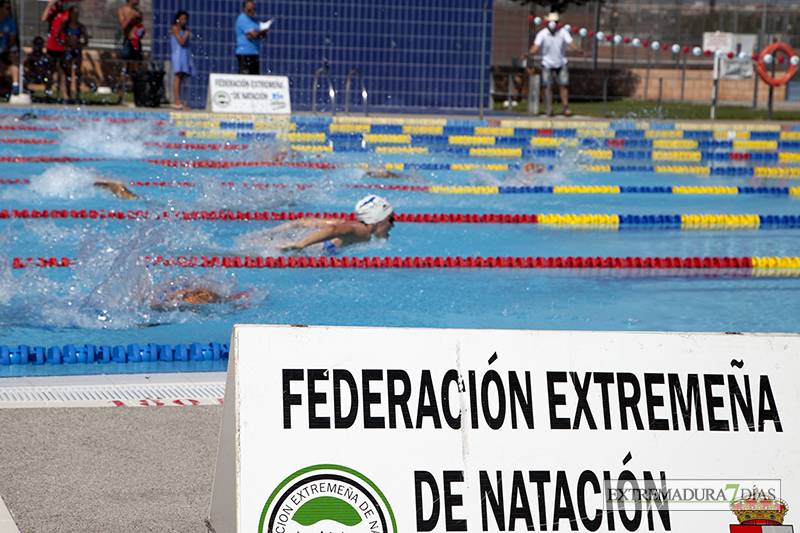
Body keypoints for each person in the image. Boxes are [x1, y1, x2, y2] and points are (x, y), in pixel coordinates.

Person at [278, 195, 395, 254]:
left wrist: (275, 232)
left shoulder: (350, 223)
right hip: (300, 253)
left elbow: (303, 222)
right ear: (379, 219)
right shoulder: (364, 233)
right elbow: (334, 230)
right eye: (391, 219)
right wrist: (300, 244)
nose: (392, 225)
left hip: (290, 242)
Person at [525, 12, 588, 117]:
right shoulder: (542, 34)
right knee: (547, 86)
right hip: (547, 63)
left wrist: (578, 50)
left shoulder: (562, 32)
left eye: (555, 22)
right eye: (551, 22)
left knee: (563, 85)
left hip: (561, 63)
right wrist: (529, 53)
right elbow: (536, 45)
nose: (553, 24)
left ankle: (566, 108)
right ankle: (549, 109)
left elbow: (570, 42)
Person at [57, 6, 87, 103]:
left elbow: (86, 41)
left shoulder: (81, 26)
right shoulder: (65, 25)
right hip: (69, 50)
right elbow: (58, 37)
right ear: (70, 14)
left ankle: (77, 95)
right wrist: (65, 44)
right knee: (67, 73)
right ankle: (67, 94)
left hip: (77, 50)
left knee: (77, 73)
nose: (76, 15)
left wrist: (77, 45)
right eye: (74, 13)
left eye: (77, 13)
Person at [117, 0, 144, 103]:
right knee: (124, 69)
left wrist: (138, 17)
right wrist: (132, 16)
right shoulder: (122, 10)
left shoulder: (138, 11)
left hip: (136, 42)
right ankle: (120, 96)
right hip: (128, 42)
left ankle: (137, 97)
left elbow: (140, 28)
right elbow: (123, 25)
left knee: (137, 71)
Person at [41, 0, 68, 100]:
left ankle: (66, 95)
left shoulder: (66, 13)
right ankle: (47, 92)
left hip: (62, 47)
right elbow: (43, 18)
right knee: (49, 71)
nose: (60, 3)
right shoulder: (51, 11)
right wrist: (49, 4)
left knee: (64, 71)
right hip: (51, 46)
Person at [170, 10, 195, 110]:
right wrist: (187, 34)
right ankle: (177, 101)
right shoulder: (175, 28)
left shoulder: (183, 30)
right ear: (178, 19)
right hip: (178, 56)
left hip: (184, 55)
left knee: (181, 78)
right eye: (182, 18)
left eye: (185, 19)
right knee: (177, 78)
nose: (184, 21)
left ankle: (180, 101)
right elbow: (181, 42)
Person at [235, 1, 268, 75]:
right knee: (244, 79)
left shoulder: (254, 21)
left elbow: (260, 35)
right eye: (250, 10)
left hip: (254, 53)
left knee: (255, 79)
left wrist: (257, 34)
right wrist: (258, 33)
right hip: (244, 54)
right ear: (244, 9)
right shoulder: (242, 18)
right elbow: (253, 35)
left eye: (254, 9)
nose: (252, 12)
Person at [23, 36, 54, 100]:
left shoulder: (46, 56)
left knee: (48, 79)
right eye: (37, 43)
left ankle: (47, 95)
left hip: (43, 78)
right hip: (33, 77)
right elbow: (24, 65)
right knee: (24, 75)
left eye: (40, 43)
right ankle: (26, 91)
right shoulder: (30, 56)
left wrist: (48, 72)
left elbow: (52, 66)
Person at [0, 0, 19, 95]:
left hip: (4, 50)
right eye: (7, 8)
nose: (9, 11)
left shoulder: (10, 22)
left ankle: (16, 85)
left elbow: (12, 39)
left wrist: (7, 47)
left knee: (14, 57)